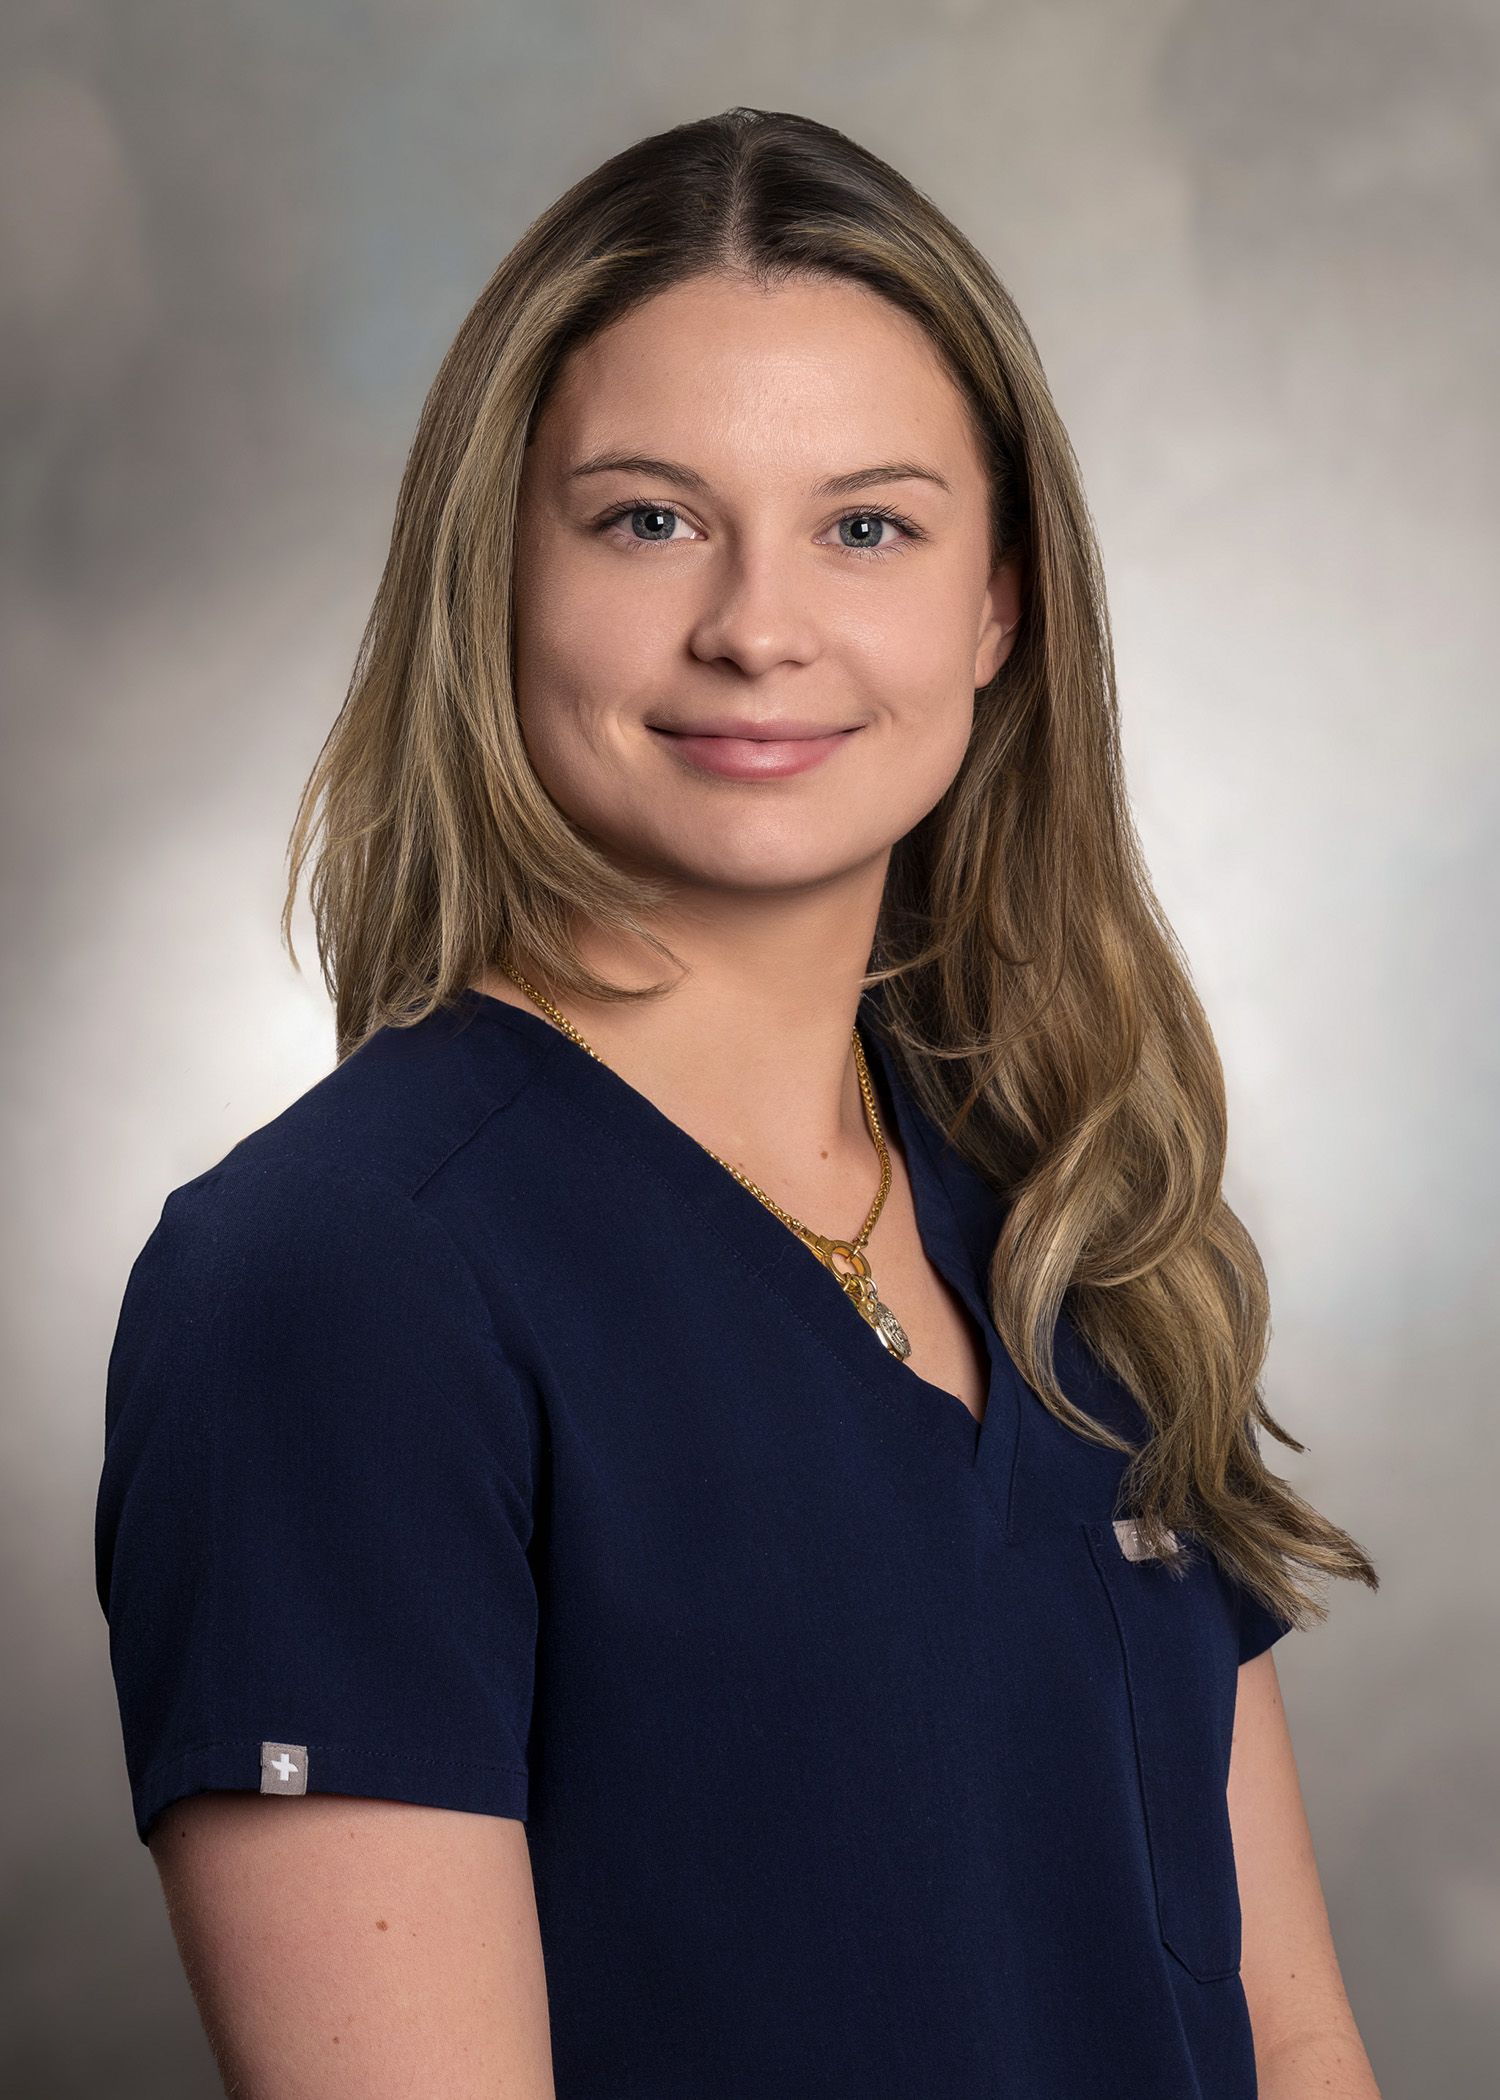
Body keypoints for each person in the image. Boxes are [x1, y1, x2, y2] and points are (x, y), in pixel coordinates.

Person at [94, 106, 1383, 2100]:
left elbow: (1292, 2042)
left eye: (867, 525)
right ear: (494, 580)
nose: (757, 626)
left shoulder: (1078, 1228)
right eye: (647, 520)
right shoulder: (335, 1289)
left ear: (999, 607)